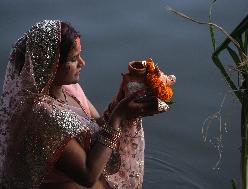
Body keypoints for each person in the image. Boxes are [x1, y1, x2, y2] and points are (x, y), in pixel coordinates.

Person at [0, 20, 166, 189]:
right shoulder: (42, 115)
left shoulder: (70, 88)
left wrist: (123, 97)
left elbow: (100, 125)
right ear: (51, 65)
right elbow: (87, 175)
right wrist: (119, 116)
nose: (82, 63)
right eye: (73, 59)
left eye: (79, 55)